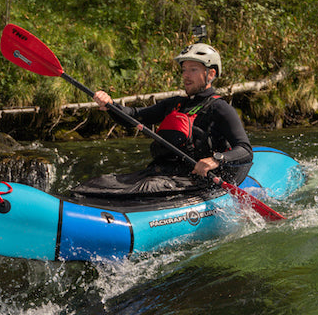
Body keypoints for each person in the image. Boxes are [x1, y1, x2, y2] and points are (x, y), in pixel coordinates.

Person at [71, 43, 253, 199]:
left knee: (148, 187)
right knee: (98, 182)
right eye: (184, 70)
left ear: (211, 74)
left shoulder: (220, 108)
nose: (186, 75)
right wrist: (110, 105)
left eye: (193, 70)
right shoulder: (175, 104)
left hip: (193, 180)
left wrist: (216, 160)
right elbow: (133, 116)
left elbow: (245, 150)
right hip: (160, 173)